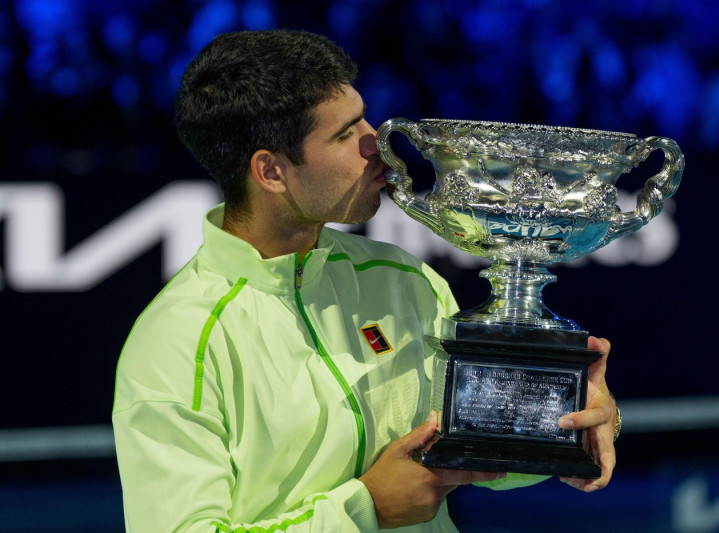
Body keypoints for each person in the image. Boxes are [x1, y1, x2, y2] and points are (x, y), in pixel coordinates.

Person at [112, 29, 619, 532]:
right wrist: (364, 511)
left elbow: (473, 455)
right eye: (344, 133)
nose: (376, 141)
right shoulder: (177, 343)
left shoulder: (402, 279)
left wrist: (564, 425)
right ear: (270, 172)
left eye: (364, 117)